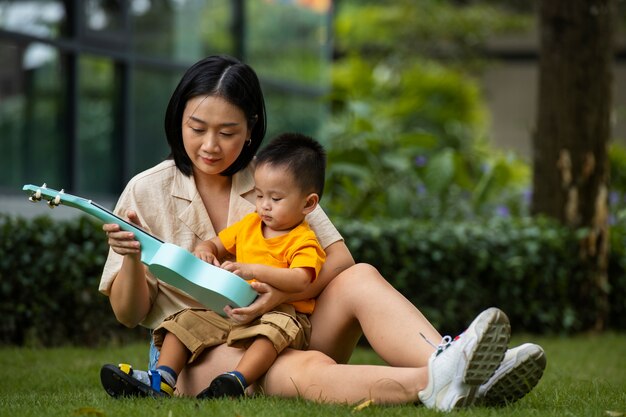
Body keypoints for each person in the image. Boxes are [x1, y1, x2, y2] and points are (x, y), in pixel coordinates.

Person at [97, 54, 546, 411]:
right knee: (300, 366)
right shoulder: (146, 190)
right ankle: (443, 382)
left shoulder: (273, 177)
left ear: (251, 131)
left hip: (287, 322)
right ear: (178, 119)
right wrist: (133, 257)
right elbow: (129, 313)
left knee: (361, 276)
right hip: (201, 348)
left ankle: (451, 361)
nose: (210, 145)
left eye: (227, 132)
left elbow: (339, 260)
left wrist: (280, 296)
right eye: (197, 128)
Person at [101, 132, 328, 399]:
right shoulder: (252, 224)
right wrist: (204, 250)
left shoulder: (304, 239)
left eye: (275, 199)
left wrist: (253, 270)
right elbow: (217, 243)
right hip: (232, 310)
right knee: (185, 320)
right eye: (259, 195)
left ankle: (236, 380)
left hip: (282, 312)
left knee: (271, 333)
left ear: (308, 203)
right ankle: (161, 377)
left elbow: (301, 279)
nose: (264, 206)